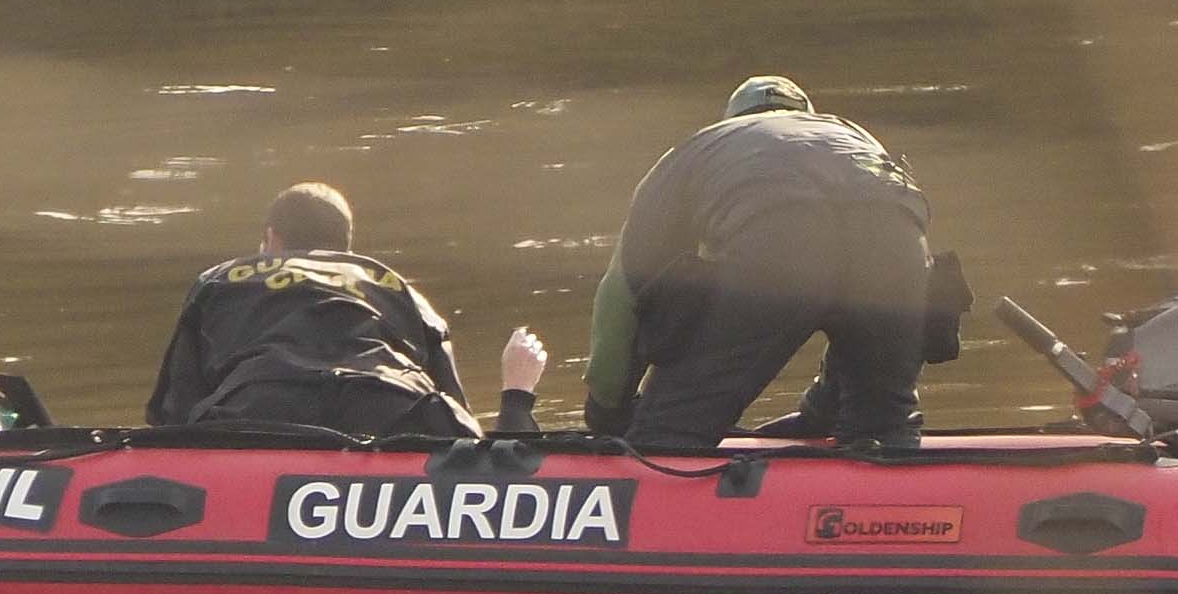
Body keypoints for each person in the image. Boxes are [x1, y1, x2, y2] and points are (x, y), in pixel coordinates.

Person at [583, 75, 932, 448]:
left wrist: (609, 409)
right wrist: (821, 412)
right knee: (883, 429)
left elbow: (624, 290)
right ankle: (896, 473)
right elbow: (858, 283)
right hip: (898, 243)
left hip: (778, 241)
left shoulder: (698, 150)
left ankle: (663, 467)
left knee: (669, 435)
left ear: (731, 120)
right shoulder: (853, 137)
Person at [148, 183, 546, 438]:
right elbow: (455, 413)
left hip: (262, 404)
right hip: (392, 402)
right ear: (347, 249)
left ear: (271, 240)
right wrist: (514, 406)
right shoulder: (397, 287)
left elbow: (173, 412)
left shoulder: (222, 279)